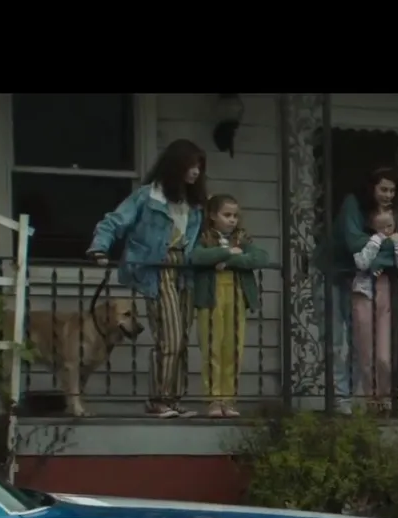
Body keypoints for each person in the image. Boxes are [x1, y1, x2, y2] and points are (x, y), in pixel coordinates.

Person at [87, 139, 207, 419]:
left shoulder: (194, 204)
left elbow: (199, 239)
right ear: (176, 165)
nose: (196, 172)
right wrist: (99, 247)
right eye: (191, 165)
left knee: (181, 340)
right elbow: (114, 221)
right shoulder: (148, 197)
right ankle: (158, 400)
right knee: (170, 338)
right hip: (157, 268)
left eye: (199, 166)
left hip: (185, 271)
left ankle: (173, 399)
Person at [318, 167, 398, 413]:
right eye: (383, 189)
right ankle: (340, 399)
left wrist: (382, 248)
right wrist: (387, 246)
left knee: (360, 342)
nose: (388, 195)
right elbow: (355, 244)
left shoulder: (388, 213)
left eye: (392, 191)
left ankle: (355, 396)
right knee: (336, 340)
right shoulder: (353, 205)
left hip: (360, 280)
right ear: (371, 188)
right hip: (335, 274)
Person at [189, 193, 268, 418]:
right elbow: (196, 257)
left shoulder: (241, 238)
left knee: (233, 348)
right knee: (212, 347)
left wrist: (229, 261)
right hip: (211, 296)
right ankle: (213, 399)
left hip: (236, 294)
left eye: (235, 216)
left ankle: (229, 399)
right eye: (227, 215)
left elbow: (260, 258)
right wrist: (224, 252)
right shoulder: (204, 236)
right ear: (213, 216)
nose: (232, 220)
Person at [352, 207, 398, 413]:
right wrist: (377, 240)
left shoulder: (397, 242)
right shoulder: (369, 242)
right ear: (372, 227)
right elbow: (362, 262)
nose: (386, 231)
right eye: (381, 227)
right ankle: (370, 398)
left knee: (384, 357)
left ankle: (384, 396)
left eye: (389, 226)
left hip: (385, 293)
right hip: (364, 292)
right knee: (366, 352)